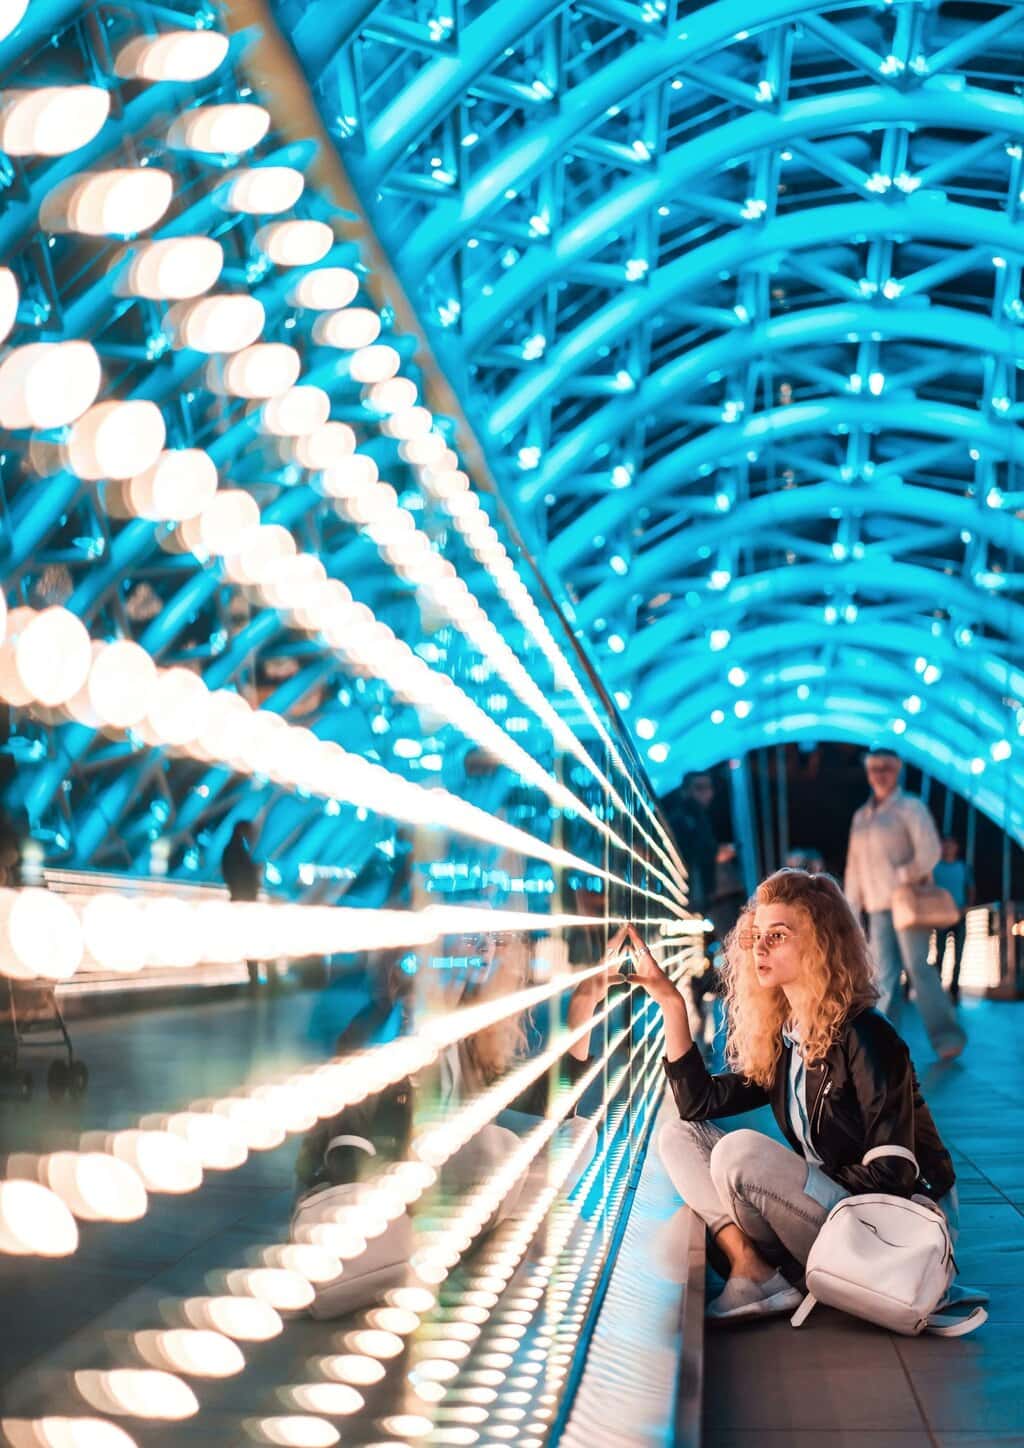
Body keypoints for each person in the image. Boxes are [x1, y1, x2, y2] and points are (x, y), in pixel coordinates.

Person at [621, 869, 958, 1323]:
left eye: (777, 936)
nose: (759, 948)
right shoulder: (788, 1039)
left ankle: (777, 1272)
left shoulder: (867, 1035)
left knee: (738, 1153)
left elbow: (894, 1172)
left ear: (820, 944)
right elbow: (697, 1104)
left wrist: (801, 1184)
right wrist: (670, 1003)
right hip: (828, 1214)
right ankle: (750, 1267)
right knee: (677, 1136)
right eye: (756, 935)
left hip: (884, 1228)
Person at [844, 747, 965, 1061]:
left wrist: (903, 874)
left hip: (907, 903)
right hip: (877, 907)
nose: (880, 774)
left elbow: (930, 850)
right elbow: (853, 865)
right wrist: (850, 905)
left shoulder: (910, 807)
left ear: (896, 771)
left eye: (886, 767)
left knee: (918, 969)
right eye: (874, 768)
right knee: (883, 975)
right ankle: (884, 1044)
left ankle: (947, 1037)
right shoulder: (861, 816)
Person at [662, 771, 718, 913]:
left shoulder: (699, 817)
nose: (706, 793)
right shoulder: (682, 819)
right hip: (689, 892)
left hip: (695, 891)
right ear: (685, 791)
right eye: (699, 788)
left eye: (708, 787)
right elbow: (693, 854)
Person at [220, 820, 263, 987]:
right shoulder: (238, 851)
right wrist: (253, 872)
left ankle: (252, 976)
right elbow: (242, 874)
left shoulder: (232, 849)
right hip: (244, 899)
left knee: (248, 940)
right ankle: (253, 977)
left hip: (239, 898)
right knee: (251, 940)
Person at [933, 836, 974, 1005]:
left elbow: (971, 888)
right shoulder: (935, 868)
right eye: (945, 845)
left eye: (951, 844)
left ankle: (954, 990)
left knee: (959, 954)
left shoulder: (963, 867)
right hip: (941, 917)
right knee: (940, 953)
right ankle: (937, 990)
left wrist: (967, 907)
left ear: (956, 847)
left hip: (960, 916)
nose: (948, 847)